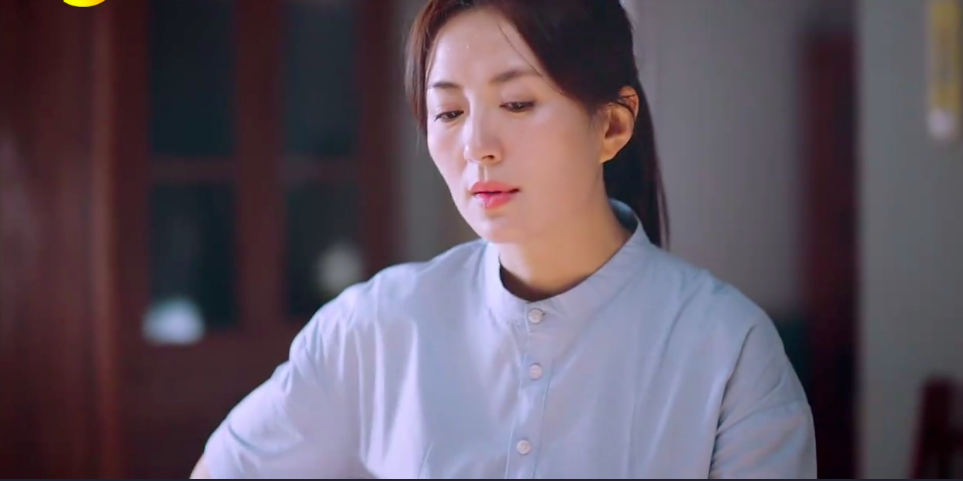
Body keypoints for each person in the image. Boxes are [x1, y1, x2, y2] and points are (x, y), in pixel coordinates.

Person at [190, 0, 817, 478]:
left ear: (612, 125)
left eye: (517, 103)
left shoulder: (727, 351)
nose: (477, 146)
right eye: (449, 112)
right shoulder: (374, 329)